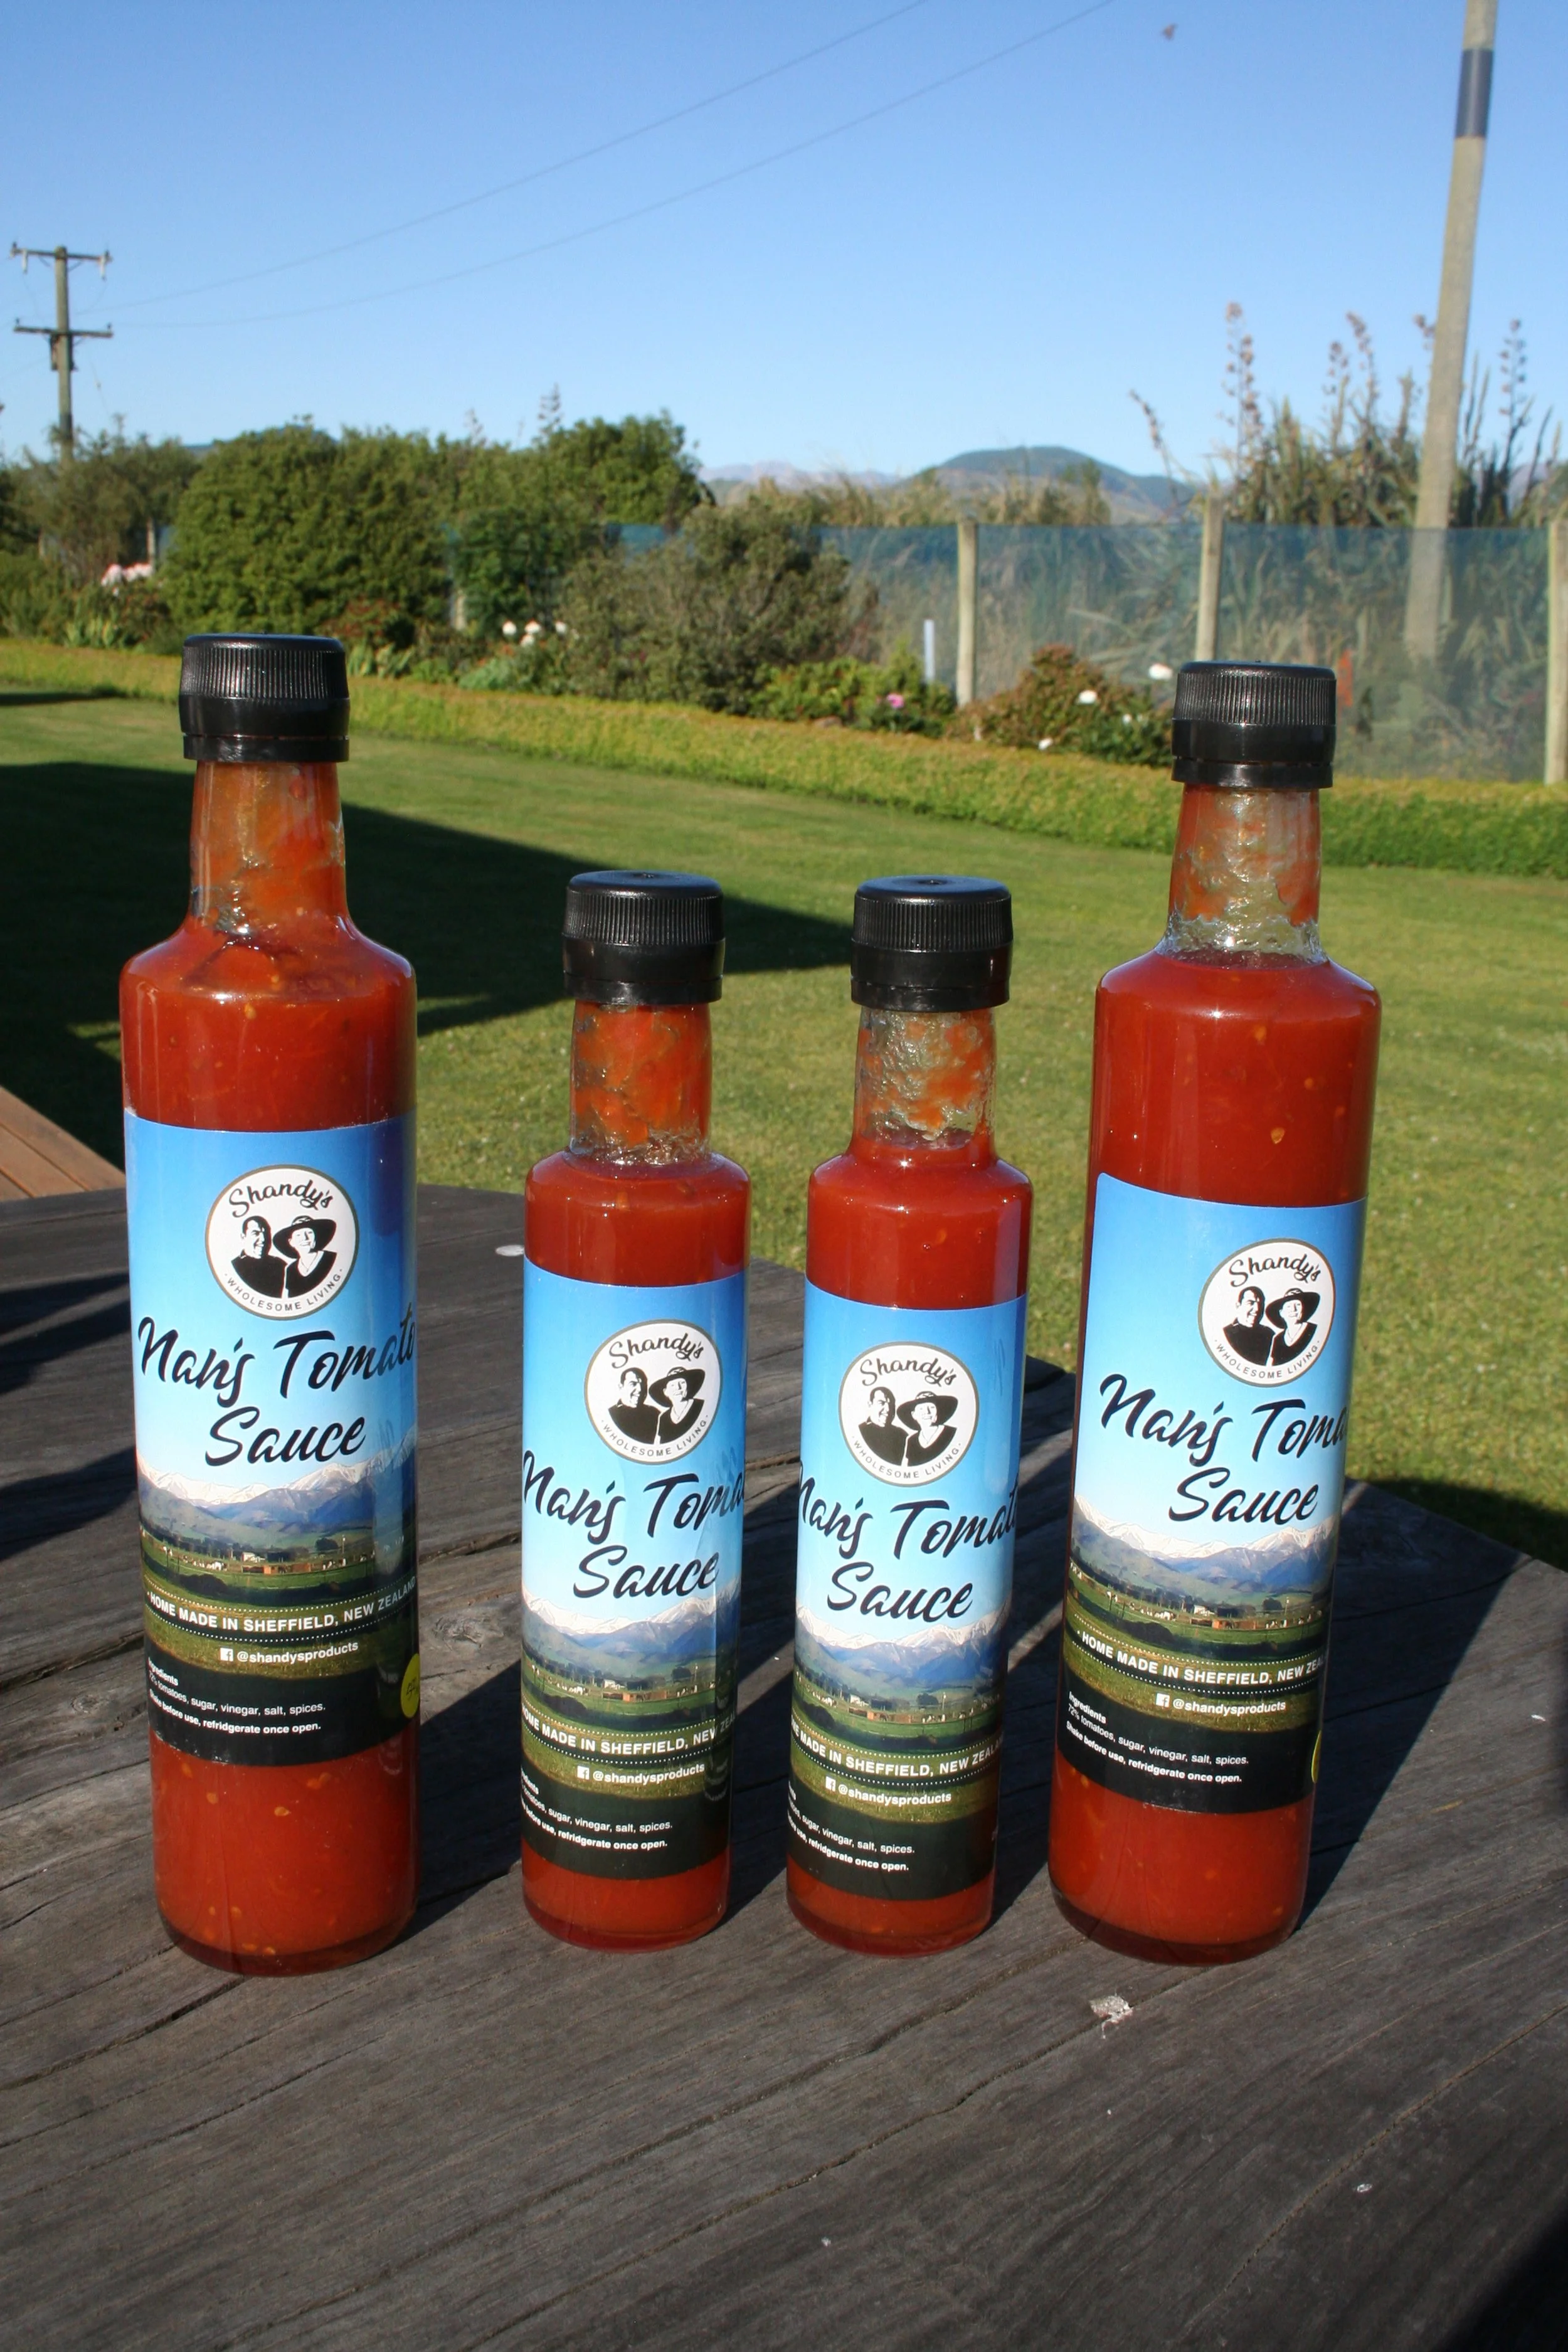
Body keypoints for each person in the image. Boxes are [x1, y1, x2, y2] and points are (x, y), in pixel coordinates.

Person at [275, 1216, 338, 1298]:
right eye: (298, 1235)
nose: (305, 1238)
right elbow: (287, 1298)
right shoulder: (290, 1269)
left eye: (309, 1233)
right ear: (292, 1242)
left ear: (316, 1237)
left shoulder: (332, 1258)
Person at [897, 1389, 958, 1468]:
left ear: (937, 1411)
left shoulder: (951, 1433)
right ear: (914, 1415)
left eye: (931, 1407)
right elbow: (906, 1467)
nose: (927, 1412)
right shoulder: (911, 1440)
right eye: (921, 1409)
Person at [231, 1213, 286, 1299]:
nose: (263, 1239)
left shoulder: (280, 1266)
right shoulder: (234, 1267)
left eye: (266, 1233)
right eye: (255, 1233)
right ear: (243, 1237)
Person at [649, 1367, 704, 1447]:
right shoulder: (663, 1418)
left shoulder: (700, 1406)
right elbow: (659, 1445)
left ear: (688, 1387)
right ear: (666, 1392)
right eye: (673, 1385)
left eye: (682, 1383)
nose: (678, 1388)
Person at [608, 1364, 661, 1444]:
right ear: (621, 1387)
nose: (640, 1389)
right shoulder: (611, 1415)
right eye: (633, 1384)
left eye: (643, 1384)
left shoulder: (655, 1414)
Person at [1222, 1284, 1274, 1365]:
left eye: (1260, 1304)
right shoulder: (1226, 1334)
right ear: (1238, 1306)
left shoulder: (1269, 1335)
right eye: (1250, 1303)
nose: (1257, 1309)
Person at [1266, 1288, 1320, 1366]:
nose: (1293, 1309)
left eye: (1298, 1305)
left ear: (1303, 1309)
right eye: (1289, 1306)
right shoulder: (1277, 1339)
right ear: (1282, 1313)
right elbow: (1271, 1365)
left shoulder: (1313, 1330)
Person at [857, 1384, 908, 1466]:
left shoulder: (902, 1435)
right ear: (870, 1405)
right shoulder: (860, 1432)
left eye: (891, 1404)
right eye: (881, 1403)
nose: (888, 1409)